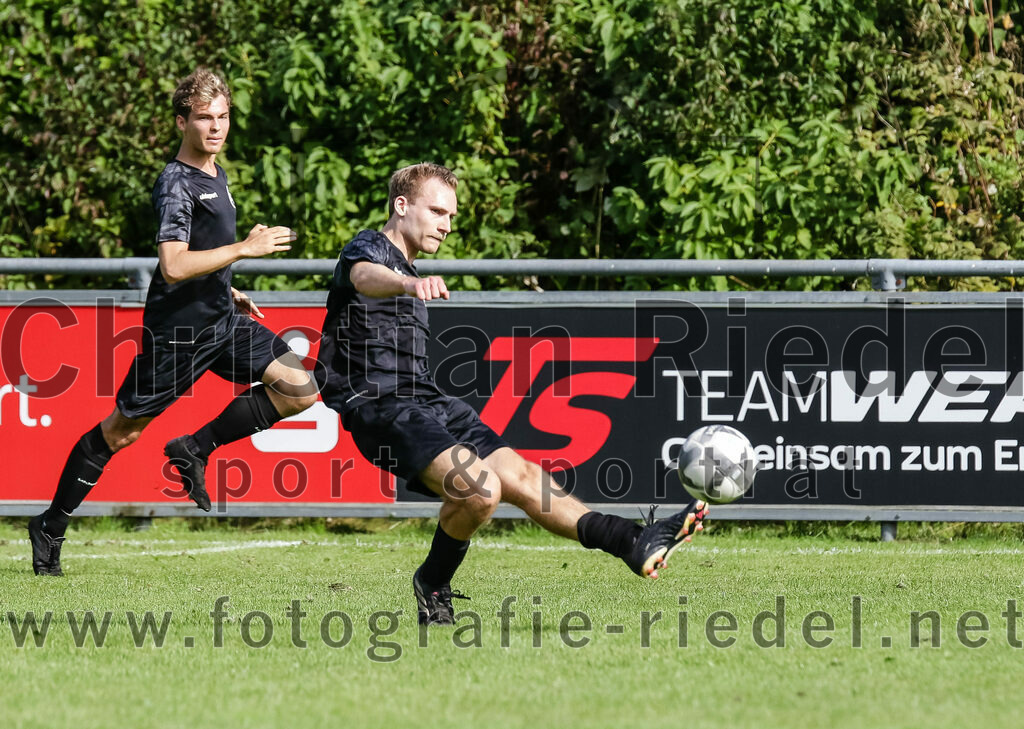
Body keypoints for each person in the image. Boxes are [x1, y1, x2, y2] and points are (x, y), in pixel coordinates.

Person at [316, 162, 708, 626]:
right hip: (381, 408)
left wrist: (410, 279)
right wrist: (406, 283)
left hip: (427, 401)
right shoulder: (370, 248)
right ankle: (433, 581)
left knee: (519, 473)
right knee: (481, 491)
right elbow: (362, 276)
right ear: (401, 206)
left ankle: (629, 540)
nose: (445, 224)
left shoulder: (409, 267)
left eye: (451, 216)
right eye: (437, 211)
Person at [28, 68, 318, 576]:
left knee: (300, 388)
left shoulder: (216, 174)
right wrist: (246, 249)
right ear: (181, 121)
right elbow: (174, 264)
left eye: (223, 116)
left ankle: (193, 448)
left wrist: (227, 286)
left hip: (221, 320)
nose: (216, 127)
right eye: (204, 118)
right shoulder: (176, 183)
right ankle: (50, 525)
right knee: (120, 433)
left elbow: (202, 258)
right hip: (178, 335)